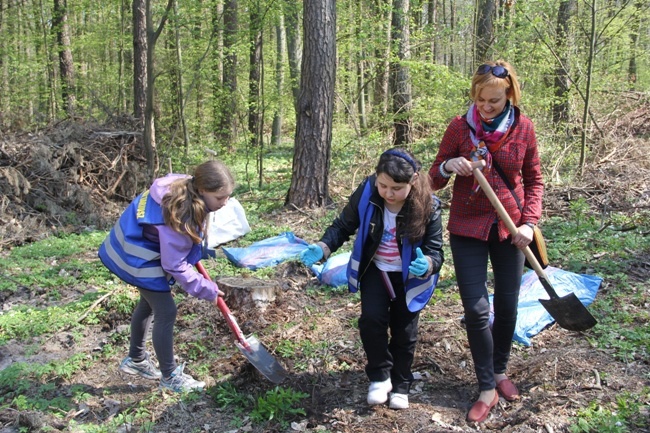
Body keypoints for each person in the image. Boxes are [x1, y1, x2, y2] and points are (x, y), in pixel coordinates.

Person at [429, 60, 544, 422]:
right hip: (467, 229)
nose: (486, 107)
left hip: (512, 229)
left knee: (508, 306)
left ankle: (499, 370)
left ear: (509, 94)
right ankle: (486, 386)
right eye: (480, 100)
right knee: (477, 310)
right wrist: (450, 166)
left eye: (494, 100)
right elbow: (433, 177)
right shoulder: (460, 128)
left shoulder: (523, 128)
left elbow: (535, 179)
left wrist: (529, 223)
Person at [300, 148, 444, 410]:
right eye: (383, 185)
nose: (388, 193)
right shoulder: (367, 191)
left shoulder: (429, 206)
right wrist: (323, 247)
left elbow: (436, 251)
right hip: (375, 270)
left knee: (405, 332)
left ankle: (401, 385)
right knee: (371, 321)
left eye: (397, 188)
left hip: (410, 276)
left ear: (412, 182)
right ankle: (380, 376)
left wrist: (429, 264)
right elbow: (344, 224)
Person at [98, 160, 233, 393]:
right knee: (166, 310)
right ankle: (170, 376)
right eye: (220, 198)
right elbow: (174, 264)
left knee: (149, 303)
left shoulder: (185, 185)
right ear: (202, 191)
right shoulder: (181, 213)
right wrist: (206, 289)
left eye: (228, 196)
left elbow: (179, 246)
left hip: (130, 241)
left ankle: (136, 360)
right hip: (133, 254)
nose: (225, 202)